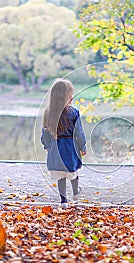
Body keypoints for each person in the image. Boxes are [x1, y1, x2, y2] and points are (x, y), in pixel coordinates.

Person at [41, 79, 86, 209]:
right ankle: (76, 193)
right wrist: (82, 146)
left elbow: (45, 133)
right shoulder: (74, 112)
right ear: (67, 96)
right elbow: (79, 132)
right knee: (73, 171)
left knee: (60, 174)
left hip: (56, 147)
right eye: (71, 93)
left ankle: (63, 201)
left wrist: (47, 145)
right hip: (70, 146)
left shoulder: (48, 112)